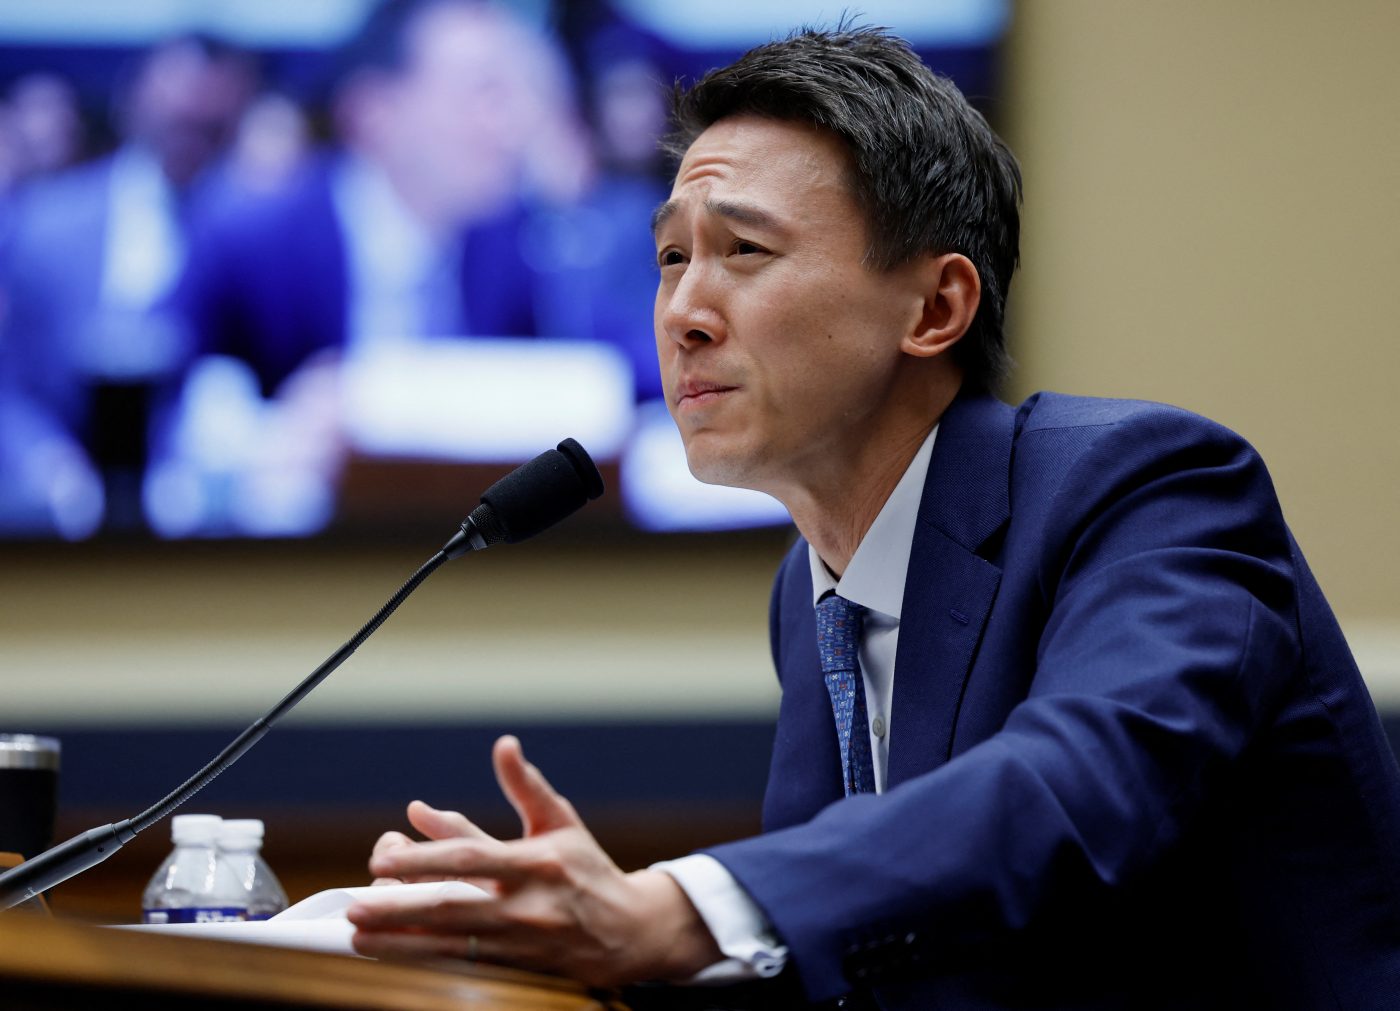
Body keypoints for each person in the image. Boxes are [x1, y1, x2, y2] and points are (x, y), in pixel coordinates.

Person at [344, 26, 1400, 1009]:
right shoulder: (812, 598)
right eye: (670, 257)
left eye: (743, 252)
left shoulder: (1146, 489)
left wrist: (672, 908)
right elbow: (856, 957)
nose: (681, 313)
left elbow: (1067, 794)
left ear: (935, 307)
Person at [0, 35, 256, 532]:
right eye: (177, 117)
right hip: (46, 507)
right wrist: (46, 465)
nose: (190, 133)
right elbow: (6, 383)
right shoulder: (40, 223)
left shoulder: (259, 231)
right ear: (133, 101)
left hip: (215, 517)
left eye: (209, 124)